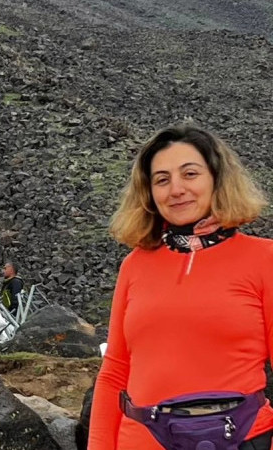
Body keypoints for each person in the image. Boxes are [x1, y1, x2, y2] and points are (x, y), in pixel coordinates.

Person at [88, 124, 273, 449]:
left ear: (217, 178)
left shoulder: (264, 258)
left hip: (244, 436)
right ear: (149, 192)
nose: (176, 189)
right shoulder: (134, 265)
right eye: (162, 179)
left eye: (190, 174)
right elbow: (115, 370)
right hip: (142, 437)